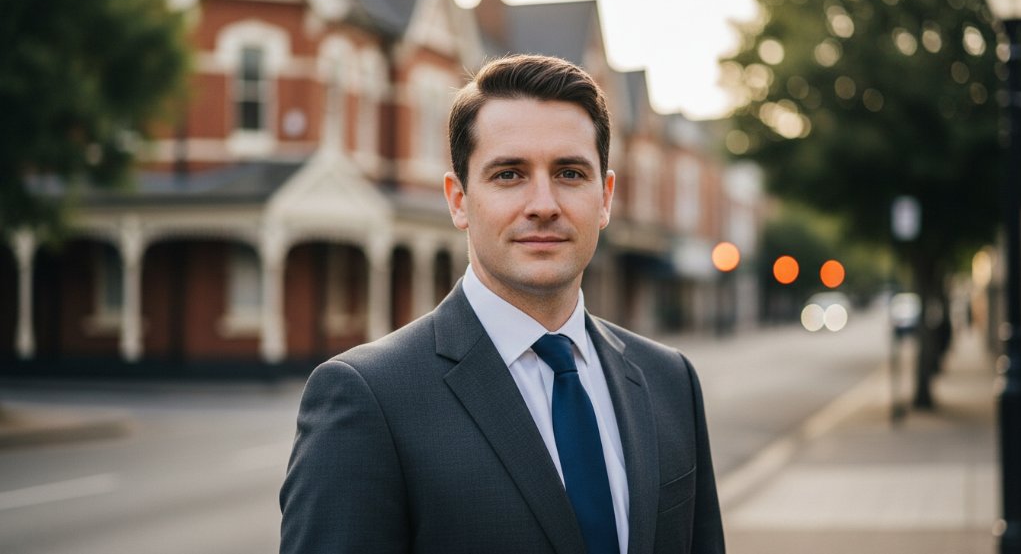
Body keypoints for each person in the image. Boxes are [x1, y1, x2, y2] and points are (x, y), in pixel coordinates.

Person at [280, 54, 725, 554]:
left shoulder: (670, 381)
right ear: (458, 200)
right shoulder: (368, 398)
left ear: (605, 198)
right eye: (509, 174)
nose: (543, 204)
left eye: (570, 173)